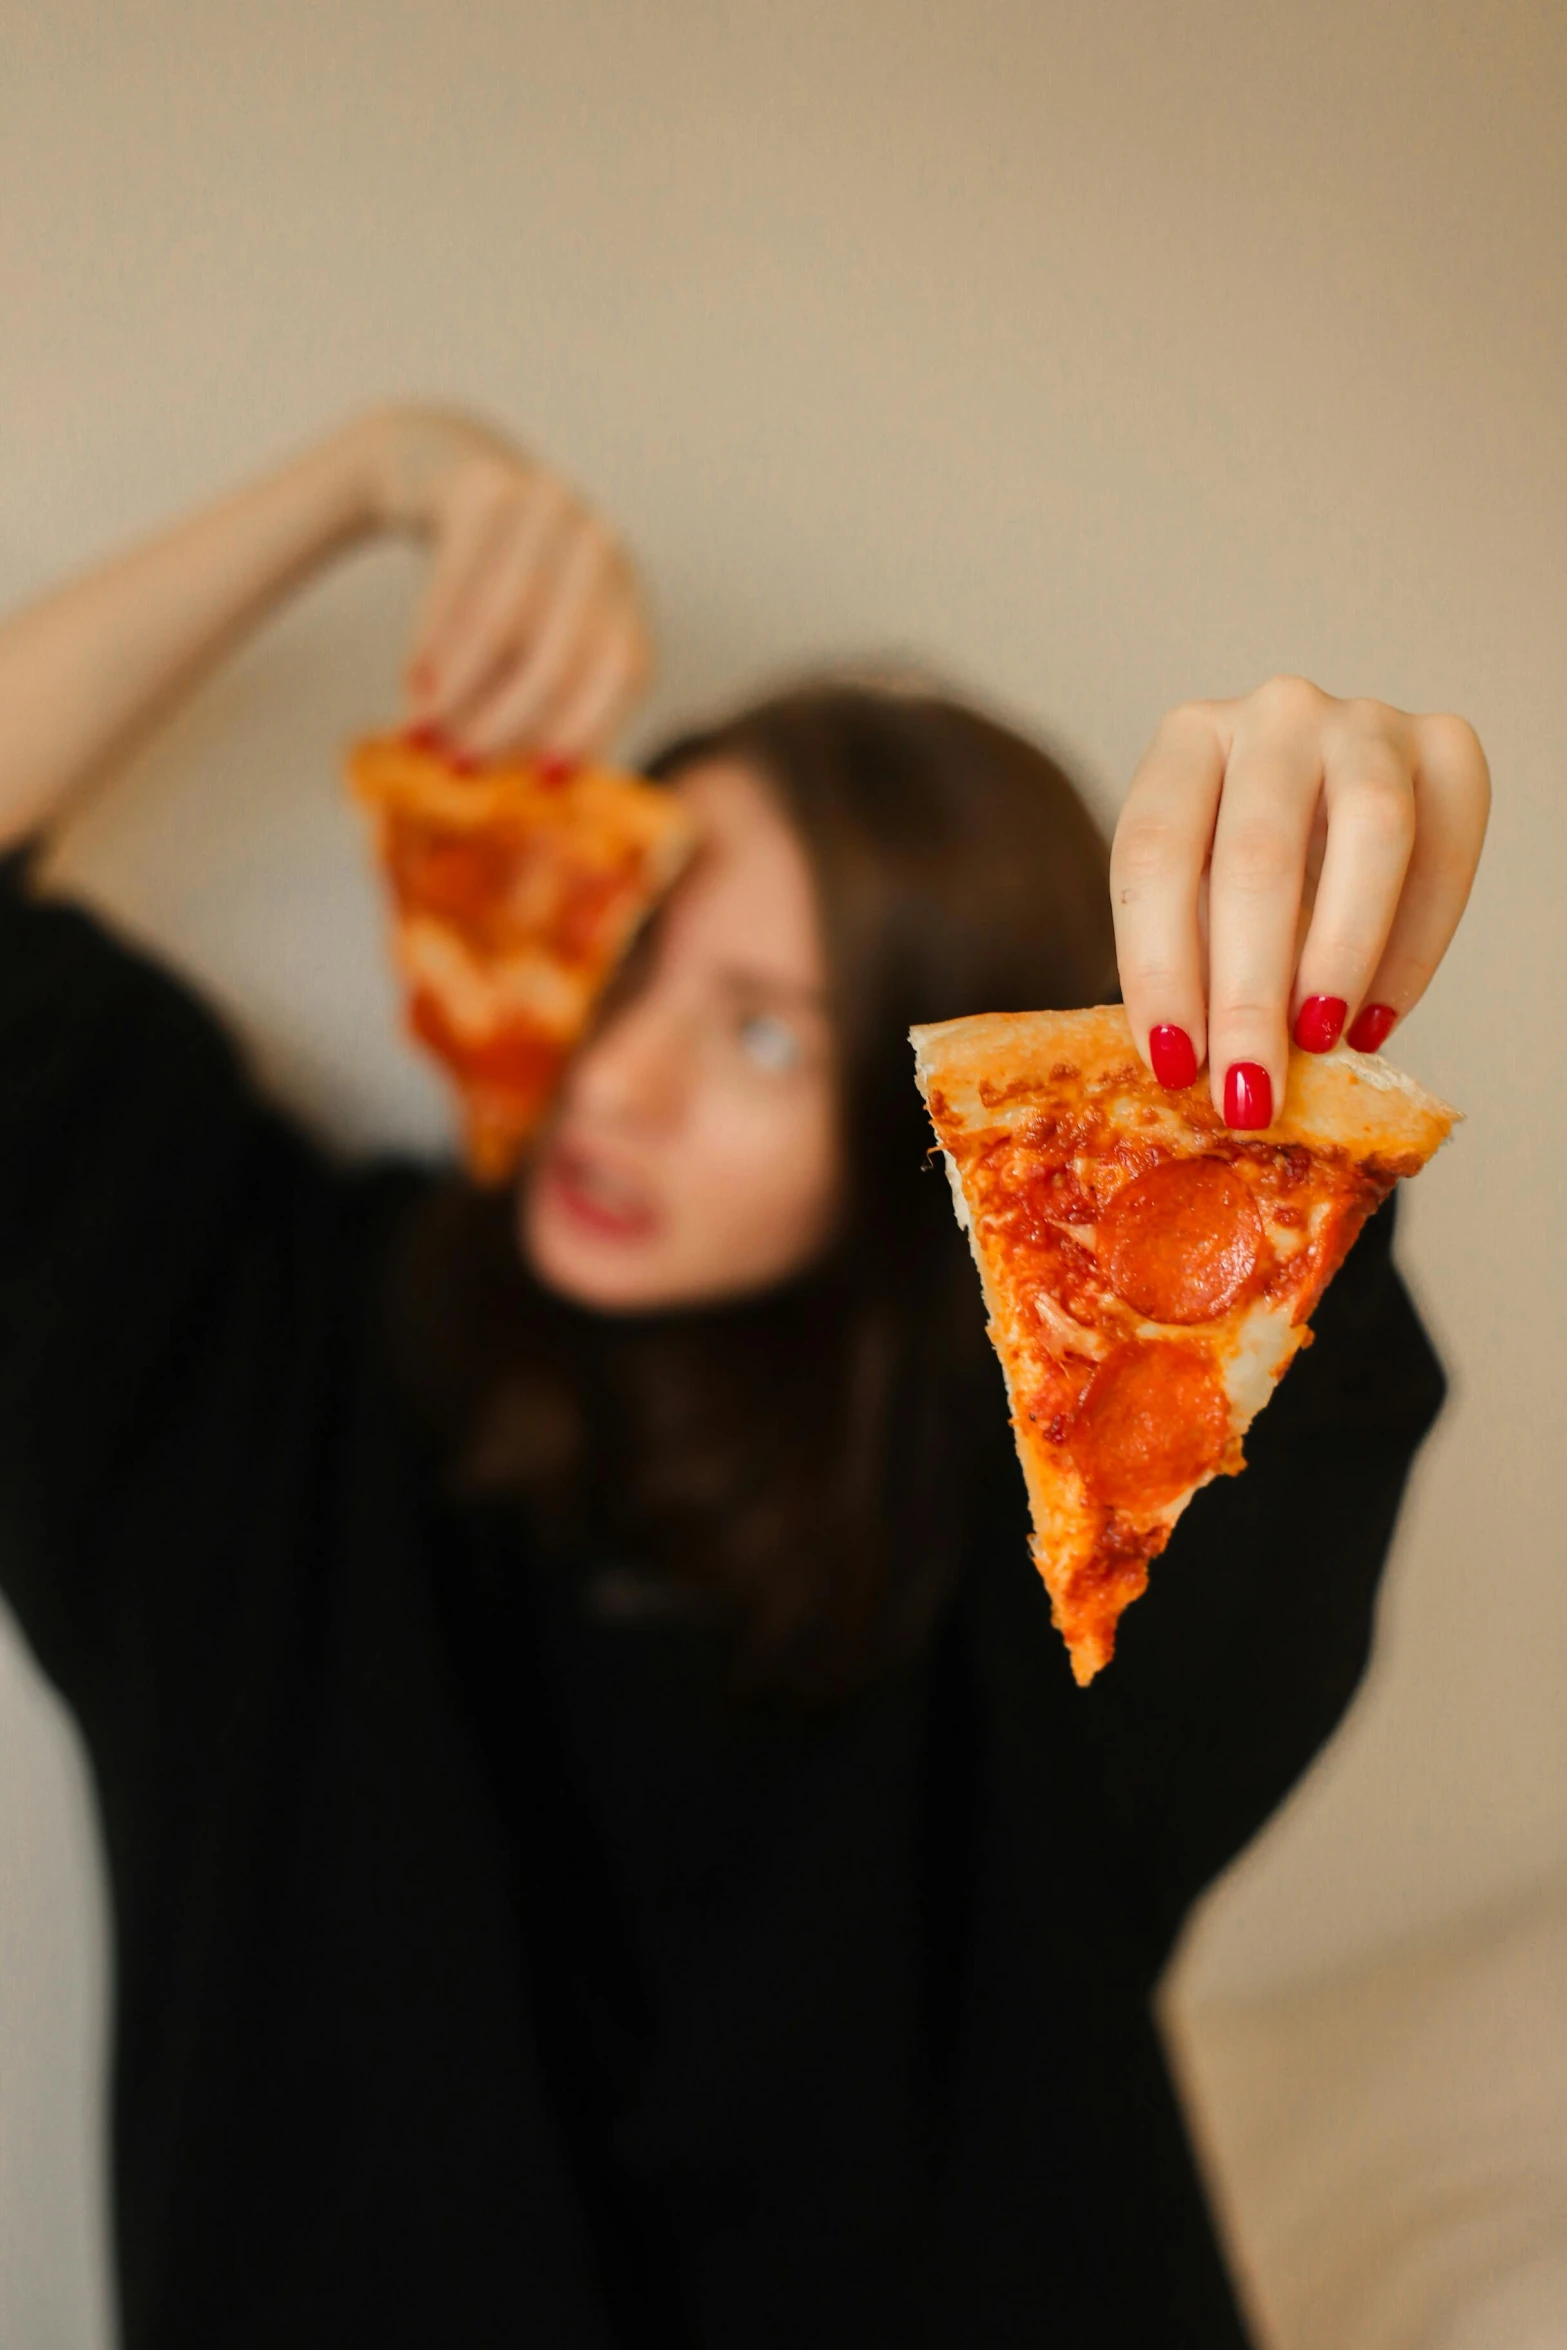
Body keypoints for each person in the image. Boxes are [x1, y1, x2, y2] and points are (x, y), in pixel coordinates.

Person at [0, 404, 1489, 2350]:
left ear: (921, 1138)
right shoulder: (271, 1348)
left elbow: (1292, 1365)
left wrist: (1287, 986)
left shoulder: (1034, 1513)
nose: (622, 1077)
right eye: (626, 948)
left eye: (770, 1036)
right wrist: (372, 473)